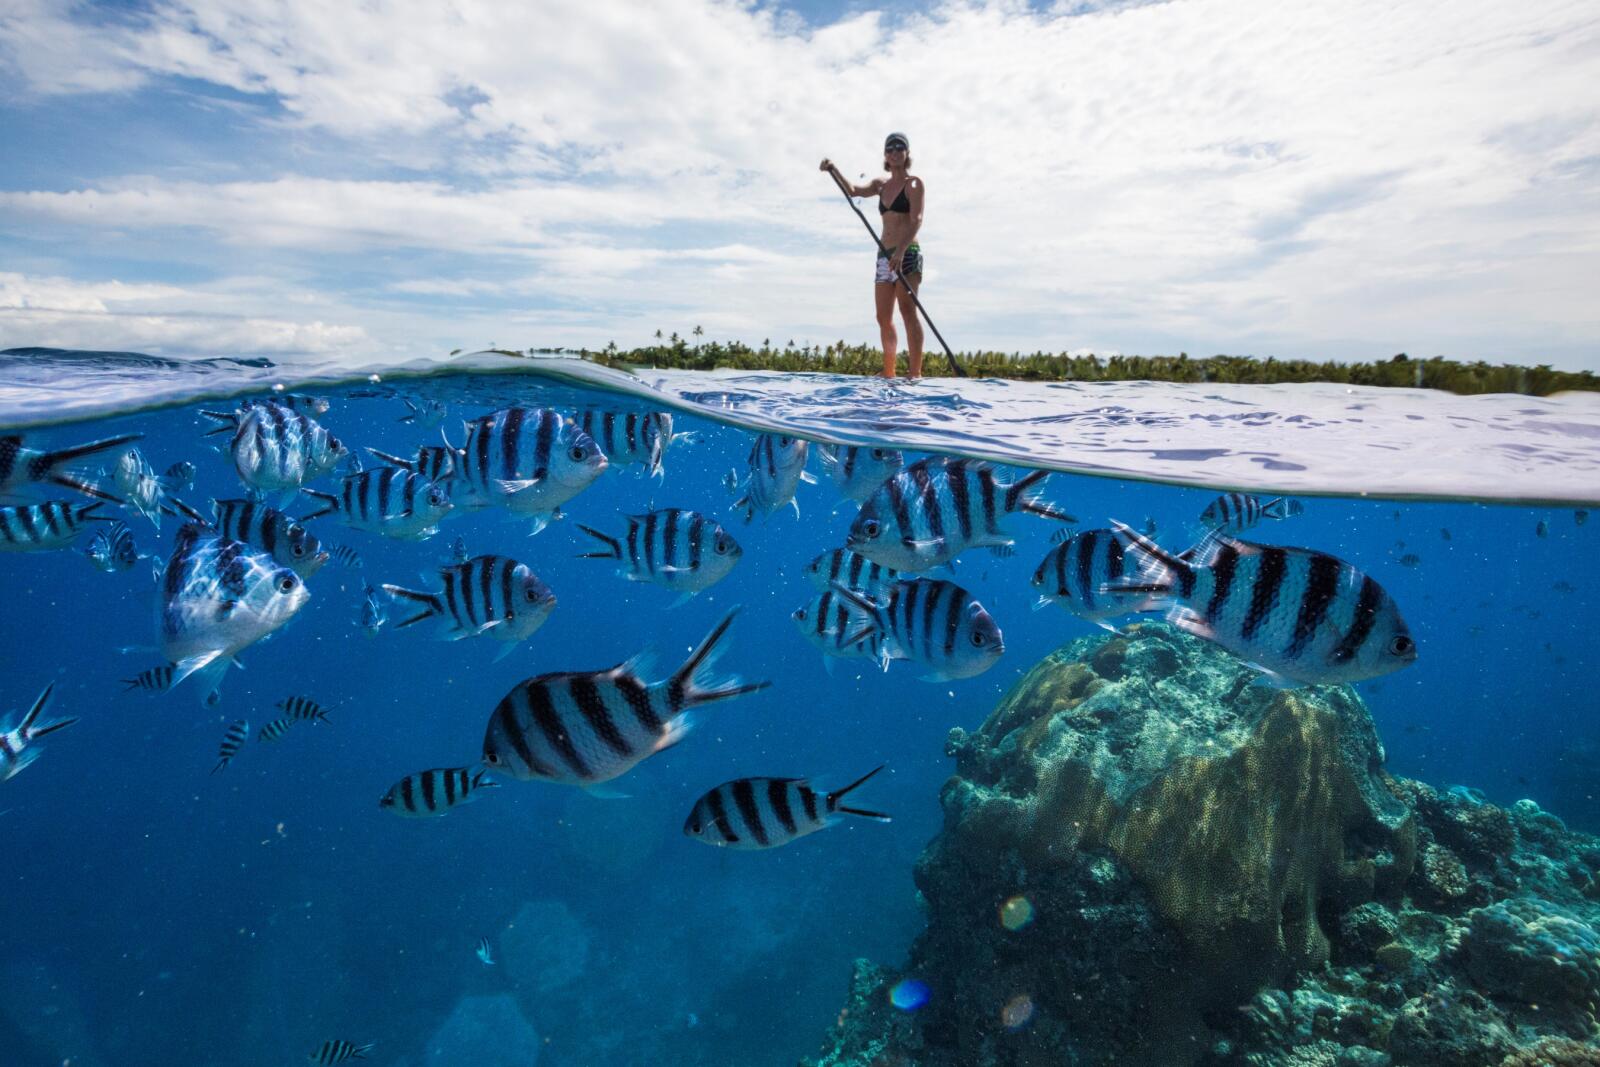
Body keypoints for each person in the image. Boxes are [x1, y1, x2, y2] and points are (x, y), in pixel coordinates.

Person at [820, 132, 925, 378]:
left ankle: (915, 374)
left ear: (907, 153)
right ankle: (889, 372)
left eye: (900, 147)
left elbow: (916, 220)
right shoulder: (881, 185)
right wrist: (833, 169)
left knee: (908, 311)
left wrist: (900, 251)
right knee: (882, 316)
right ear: (885, 156)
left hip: (907, 252)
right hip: (883, 256)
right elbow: (854, 190)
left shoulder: (914, 184)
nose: (895, 151)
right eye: (890, 148)